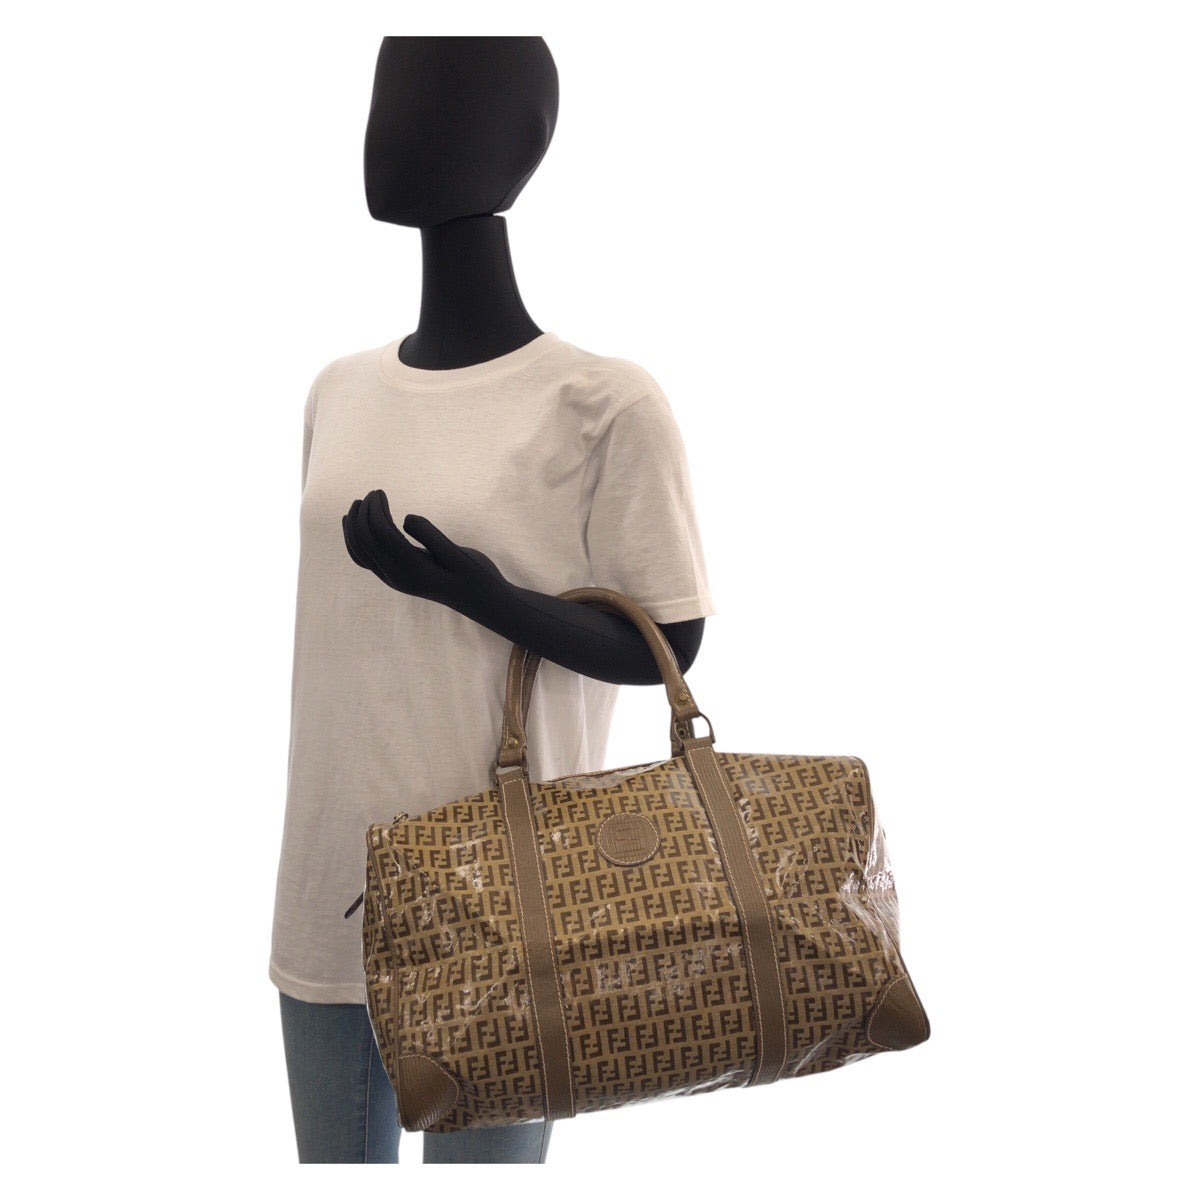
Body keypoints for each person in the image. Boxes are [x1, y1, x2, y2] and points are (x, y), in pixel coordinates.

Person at [269, 35, 716, 1164]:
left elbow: (670, 642)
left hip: (510, 908)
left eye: (437, 94)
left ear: (523, 138)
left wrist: (484, 595)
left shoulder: (603, 402)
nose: (390, 127)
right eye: (389, 88)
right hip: (330, 879)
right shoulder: (337, 390)